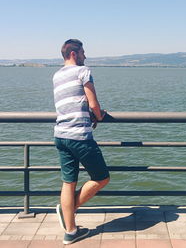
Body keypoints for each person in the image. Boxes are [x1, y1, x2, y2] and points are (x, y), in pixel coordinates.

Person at [53, 39, 110, 245]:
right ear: (74, 54)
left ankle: (71, 230)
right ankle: (69, 209)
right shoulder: (82, 71)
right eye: (83, 52)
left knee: (69, 182)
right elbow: (94, 103)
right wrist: (98, 116)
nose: (85, 56)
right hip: (79, 136)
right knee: (102, 178)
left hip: (60, 135)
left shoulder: (57, 75)